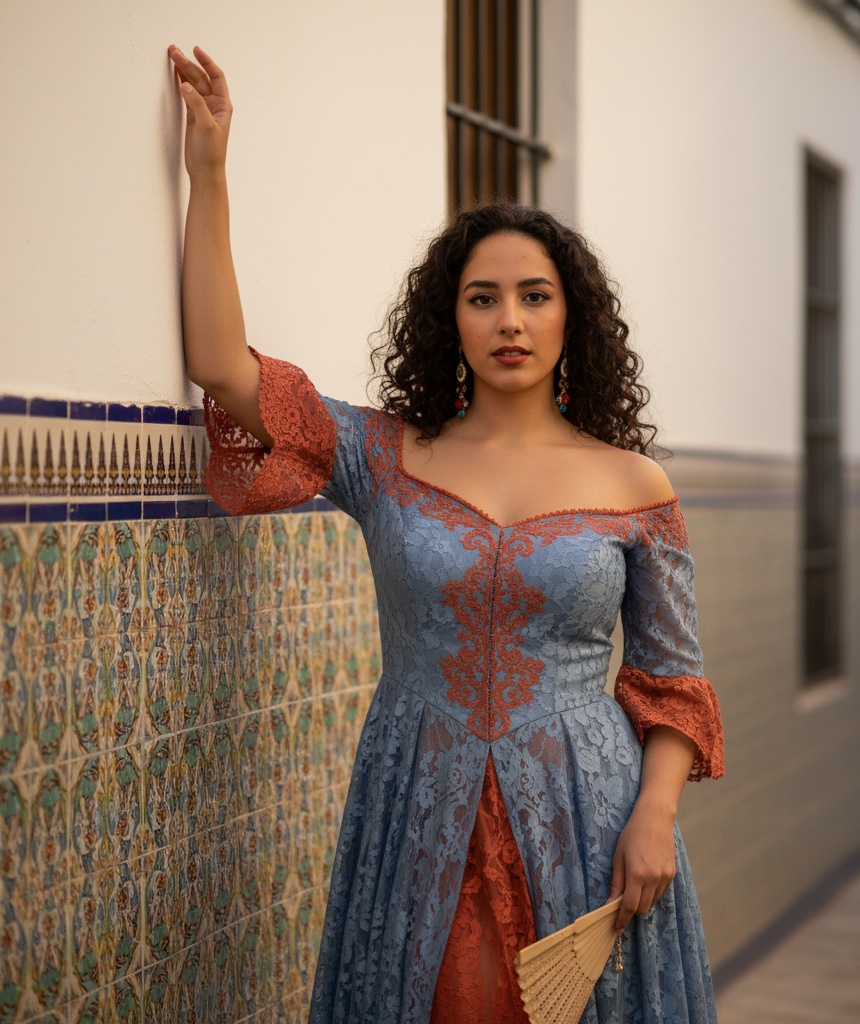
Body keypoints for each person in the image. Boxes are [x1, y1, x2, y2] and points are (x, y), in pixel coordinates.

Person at [168, 43, 725, 1024]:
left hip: (592, 825)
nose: (509, 319)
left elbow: (674, 682)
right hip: (414, 811)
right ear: (452, 321)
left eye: (534, 295)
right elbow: (221, 368)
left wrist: (653, 814)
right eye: (483, 297)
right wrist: (207, 173)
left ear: (571, 318)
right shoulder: (382, 455)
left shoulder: (634, 484)